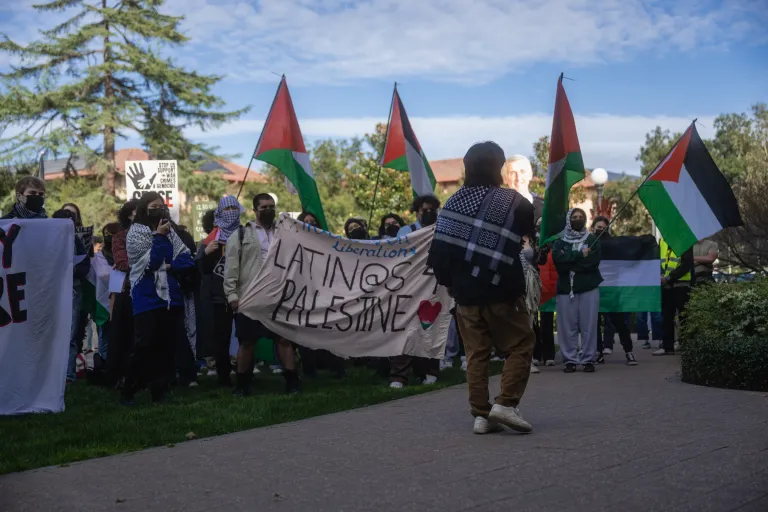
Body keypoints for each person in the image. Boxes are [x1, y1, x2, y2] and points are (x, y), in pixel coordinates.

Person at [428, 141, 536, 435]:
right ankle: (506, 404)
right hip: (503, 290)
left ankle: (481, 415)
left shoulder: (451, 204)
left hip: (465, 294)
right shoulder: (513, 202)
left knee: (476, 354)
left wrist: (450, 284)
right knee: (521, 344)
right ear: (496, 168)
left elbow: (439, 254)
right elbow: (529, 233)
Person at [120, 192, 195, 405]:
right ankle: (128, 388)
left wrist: (169, 265)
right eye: (154, 206)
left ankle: (159, 390)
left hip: (170, 296)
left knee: (165, 346)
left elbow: (186, 259)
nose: (158, 210)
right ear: (145, 209)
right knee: (145, 345)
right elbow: (151, 263)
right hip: (147, 297)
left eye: (161, 206)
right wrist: (160, 238)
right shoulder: (136, 233)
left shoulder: (171, 232)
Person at [225, 193, 300, 395]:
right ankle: (242, 386)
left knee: (284, 340)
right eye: (264, 207)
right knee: (247, 342)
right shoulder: (240, 235)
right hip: (250, 296)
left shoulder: (285, 233)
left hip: (279, 296)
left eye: (272, 207)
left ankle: (292, 384)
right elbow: (231, 267)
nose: (268, 210)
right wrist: (232, 295)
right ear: (255, 210)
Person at [389, 198, 441, 388]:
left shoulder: (442, 229)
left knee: (430, 330)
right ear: (417, 212)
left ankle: (429, 371)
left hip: (434, 288)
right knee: (405, 331)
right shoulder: (406, 232)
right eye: (424, 210)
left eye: (432, 210)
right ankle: (399, 376)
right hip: (409, 287)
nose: (427, 213)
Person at [197, 196, 243, 387]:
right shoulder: (210, 241)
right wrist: (206, 254)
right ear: (219, 212)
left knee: (245, 336)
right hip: (219, 296)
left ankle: (244, 371)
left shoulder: (245, 234)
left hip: (244, 293)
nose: (231, 211)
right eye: (227, 208)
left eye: (234, 207)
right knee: (221, 338)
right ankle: (223, 376)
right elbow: (203, 270)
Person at [553, 208, 602, 373]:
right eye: (574, 217)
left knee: (589, 325)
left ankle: (588, 359)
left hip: (589, 287)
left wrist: (571, 261)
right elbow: (559, 263)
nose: (578, 219)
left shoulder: (593, 239)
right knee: (567, 326)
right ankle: (570, 360)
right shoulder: (560, 241)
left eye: (581, 217)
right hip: (566, 289)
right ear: (569, 220)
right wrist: (580, 255)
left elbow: (593, 264)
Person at [591, 216, 638, 366]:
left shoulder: (615, 244)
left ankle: (629, 351)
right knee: (594, 323)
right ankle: (598, 353)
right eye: (598, 227)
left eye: (603, 227)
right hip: (595, 288)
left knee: (619, 322)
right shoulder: (588, 243)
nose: (600, 229)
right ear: (592, 228)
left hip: (612, 289)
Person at [52, 209, 91, 383]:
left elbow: (85, 265)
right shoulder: (47, 241)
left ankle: (68, 374)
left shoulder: (76, 241)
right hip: (51, 290)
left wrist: (72, 269)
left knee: (70, 334)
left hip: (73, 290)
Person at [107, 200, 138, 386]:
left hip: (153, 291)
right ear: (128, 215)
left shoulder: (159, 234)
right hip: (127, 292)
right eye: (137, 212)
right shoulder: (120, 237)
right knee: (125, 336)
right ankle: (123, 376)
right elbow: (122, 263)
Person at [653, 238, 694, 356]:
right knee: (666, 317)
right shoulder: (663, 241)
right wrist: (661, 276)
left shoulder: (685, 241)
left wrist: (669, 277)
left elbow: (687, 264)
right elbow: (658, 261)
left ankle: (688, 346)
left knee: (684, 316)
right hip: (666, 286)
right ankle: (667, 347)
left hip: (681, 285)